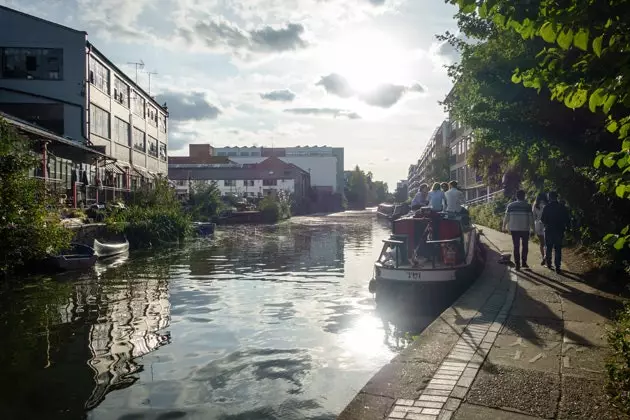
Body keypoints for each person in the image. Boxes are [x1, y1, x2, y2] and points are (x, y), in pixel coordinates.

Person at [503, 189, 535, 270]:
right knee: (525, 246)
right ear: (524, 196)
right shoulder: (528, 206)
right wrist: (533, 229)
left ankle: (517, 264)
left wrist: (503, 226)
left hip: (514, 229)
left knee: (516, 246)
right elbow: (531, 219)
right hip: (525, 229)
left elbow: (506, 217)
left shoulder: (510, 205)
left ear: (516, 196)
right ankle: (524, 263)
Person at [540, 191, 570, 273]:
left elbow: (542, 219)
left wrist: (547, 223)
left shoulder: (546, 207)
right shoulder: (562, 207)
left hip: (549, 230)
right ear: (556, 197)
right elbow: (567, 219)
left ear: (549, 197)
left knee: (549, 248)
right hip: (559, 230)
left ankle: (549, 264)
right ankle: (557, 267)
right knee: (558, 248)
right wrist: (567, 228)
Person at [532, 193, 548, 266]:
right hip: (546, 224)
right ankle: (546, 257)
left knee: (542, 243)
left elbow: (534, 217)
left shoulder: (535, 205)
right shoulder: (548, 204)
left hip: (538, 225)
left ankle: (543, 257)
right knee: (547, 243)